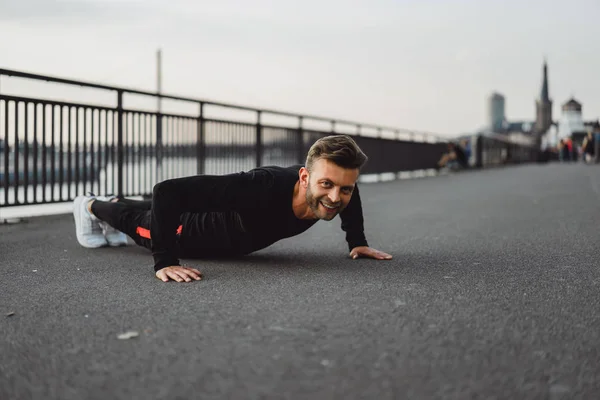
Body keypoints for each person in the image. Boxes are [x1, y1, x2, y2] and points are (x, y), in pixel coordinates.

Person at [72, 135, 392, 283]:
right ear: (304, 177)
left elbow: (350, 194)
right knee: (141, 225)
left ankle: (113, 201)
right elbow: (166, 191)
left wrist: (357, 241)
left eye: (344, 188)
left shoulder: (337, 185)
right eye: (327, 185)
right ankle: (90, 206)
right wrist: (165, 261)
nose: (336, 197)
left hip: (229, 235)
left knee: (149, 209)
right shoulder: (259, 187)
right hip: (192, 232)